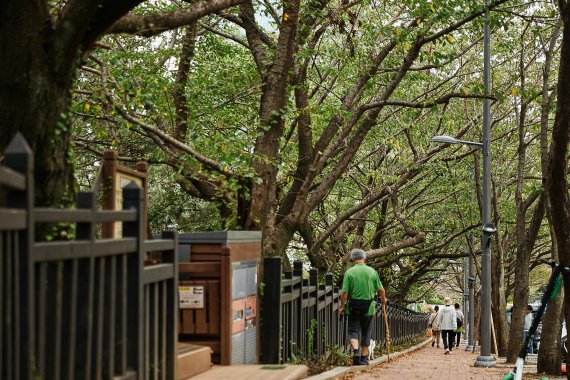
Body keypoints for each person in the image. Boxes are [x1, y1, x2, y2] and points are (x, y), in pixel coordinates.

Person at [339, 248, 387, 366]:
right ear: (364, 258)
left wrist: (342, 306)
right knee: (366, 331)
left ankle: (356, 352)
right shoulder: (372, 272)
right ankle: (364, 357)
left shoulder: (349, 272)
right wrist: (383, 299)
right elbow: (381, 289)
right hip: (369, 307)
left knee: (353, 330)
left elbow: (344, 292)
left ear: (352, 259)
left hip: (352, 306)